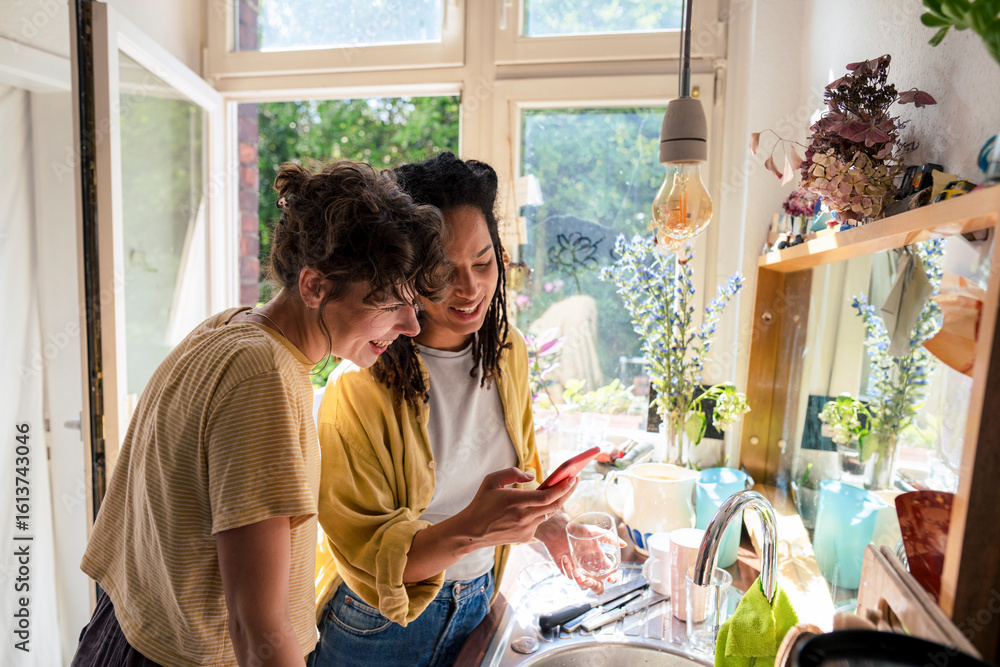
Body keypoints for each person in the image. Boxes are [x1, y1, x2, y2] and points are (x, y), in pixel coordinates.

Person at [70, 160, 448, 667]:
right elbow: (256, 625)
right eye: (388, 305)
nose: (409, 326)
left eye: (413, 306)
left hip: (123, 634)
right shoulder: (263, 380)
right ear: (314, 286)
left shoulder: (227, 327)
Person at [309, 153, 608, 667]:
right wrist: (476, 528)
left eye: (484, 262)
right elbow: (368, 555)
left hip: (477, 599)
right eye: (442, 270)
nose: (470, 289)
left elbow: (516, 479)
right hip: (380, 624)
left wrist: (550, 524)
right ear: (406, 267)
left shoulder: (506, 350)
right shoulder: (359, 386)